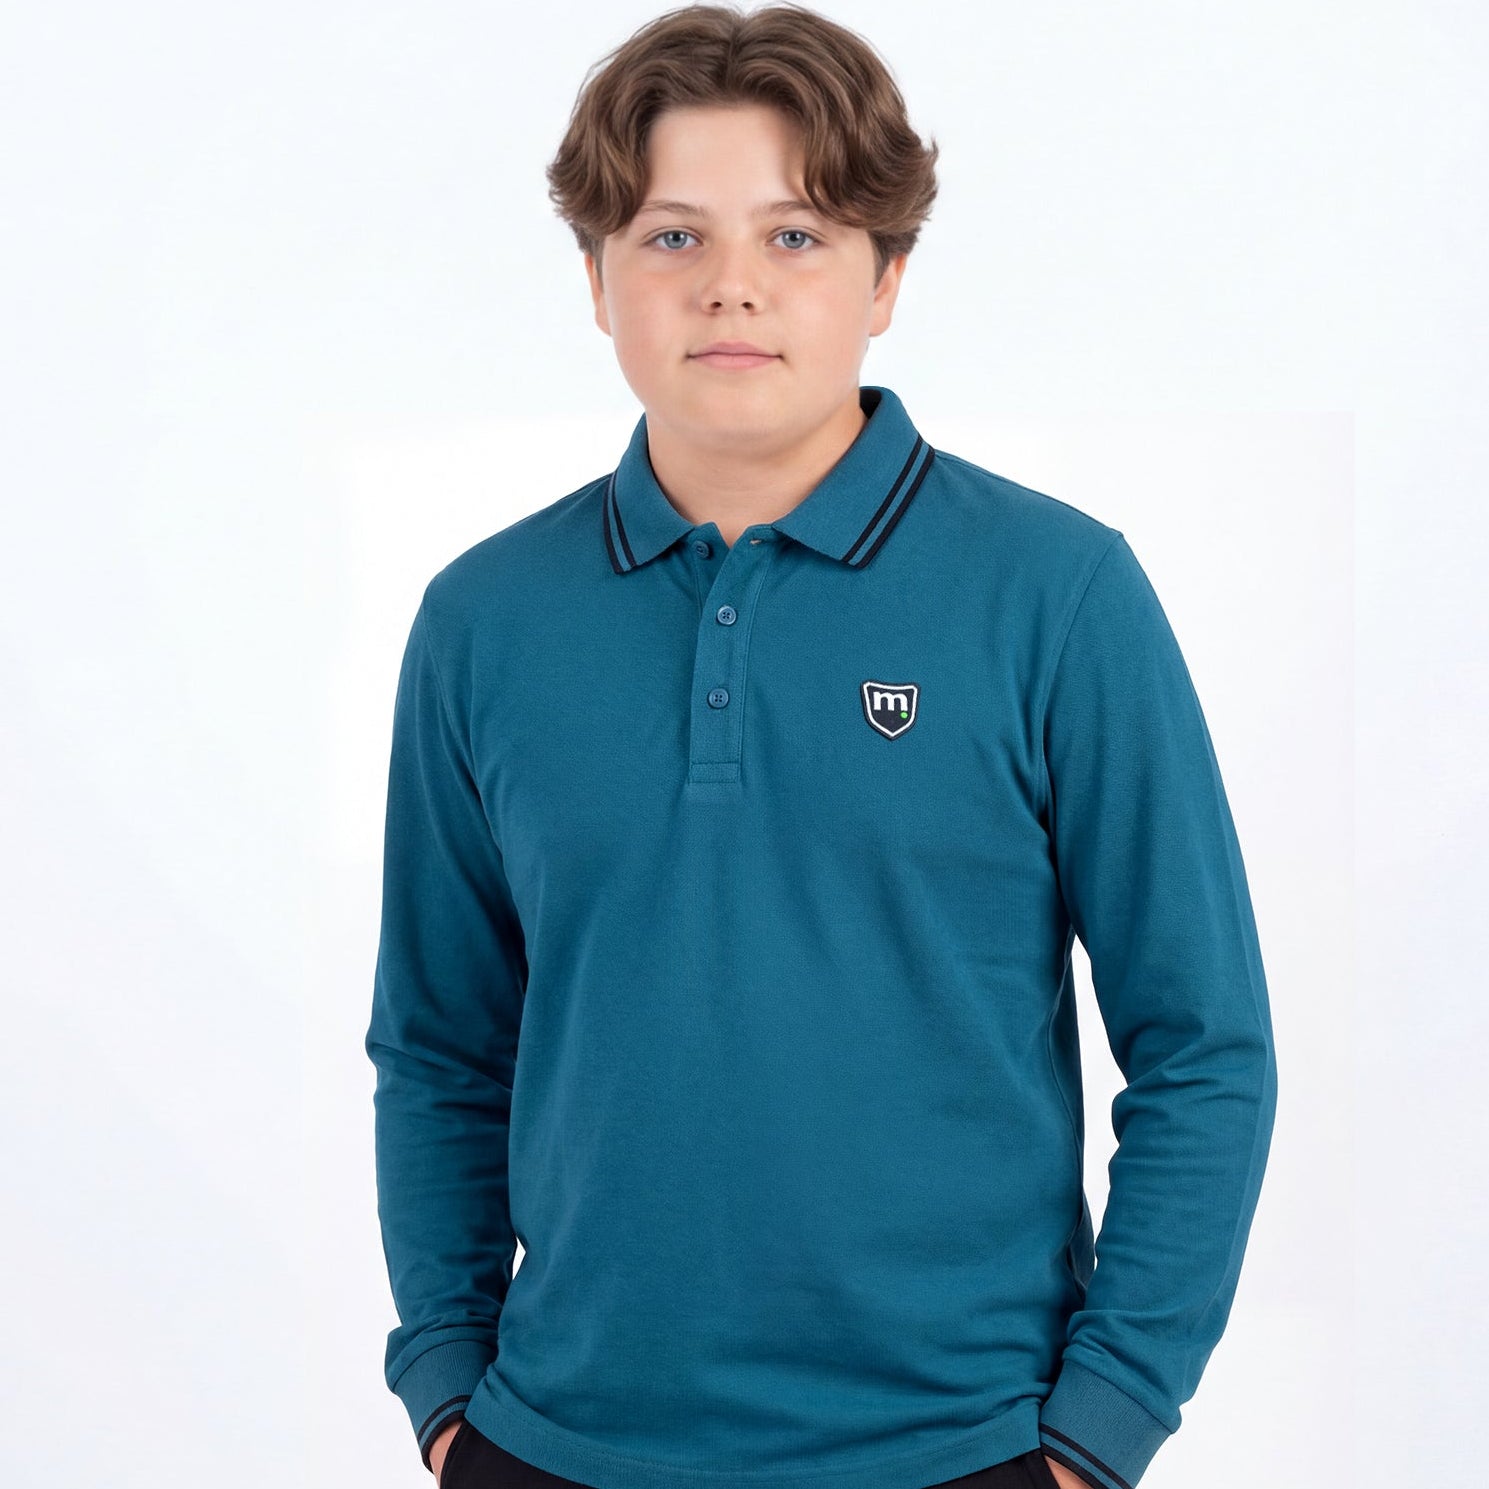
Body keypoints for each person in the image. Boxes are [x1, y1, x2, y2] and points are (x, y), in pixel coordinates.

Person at [364, 5, 1279, 1487]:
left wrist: (1099, 1430)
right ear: (595, 279)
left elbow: (1203, 1043)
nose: (730, 286)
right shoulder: (483, 620)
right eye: (672, 237)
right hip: (553, 1444)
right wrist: (447, 1388)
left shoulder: (1057, 594)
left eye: (794, 236)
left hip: (963, 1448)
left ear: (887, 276)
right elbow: (438, 1044)